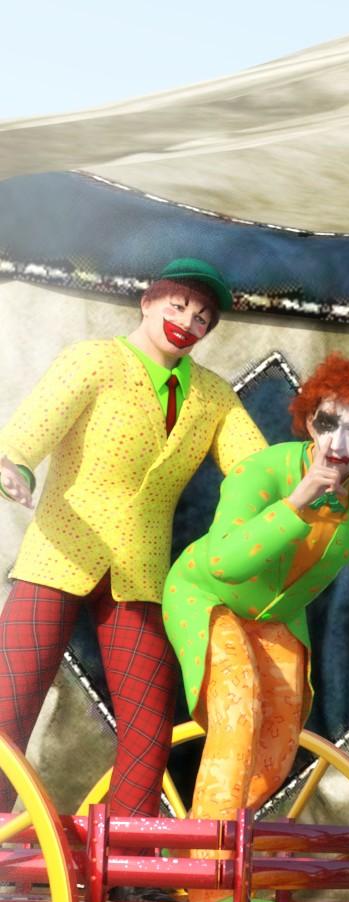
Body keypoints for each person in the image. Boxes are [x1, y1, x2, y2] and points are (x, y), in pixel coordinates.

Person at [162, 353, 349, 902]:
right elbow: (225, 563)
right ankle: (206, 882)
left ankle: (216, 848)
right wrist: (296, 502)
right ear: (309, 421)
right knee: (237, 711)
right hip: (208, 596)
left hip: (275, 616)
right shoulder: (264, 471)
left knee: (278, 744)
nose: (338, 441)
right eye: (327, 423)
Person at [0, 258, 266, 817]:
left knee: (148, 728)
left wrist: (312, 480)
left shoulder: (213, 396)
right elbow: (33, 427)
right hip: (59, 552)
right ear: (147, 303)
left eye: (202, 317)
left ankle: (128, 851)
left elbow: (256, 468)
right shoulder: (94, 360)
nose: (187, 322)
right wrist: (14, 464)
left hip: (139, 575)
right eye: (178, 306)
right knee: (9, 706)